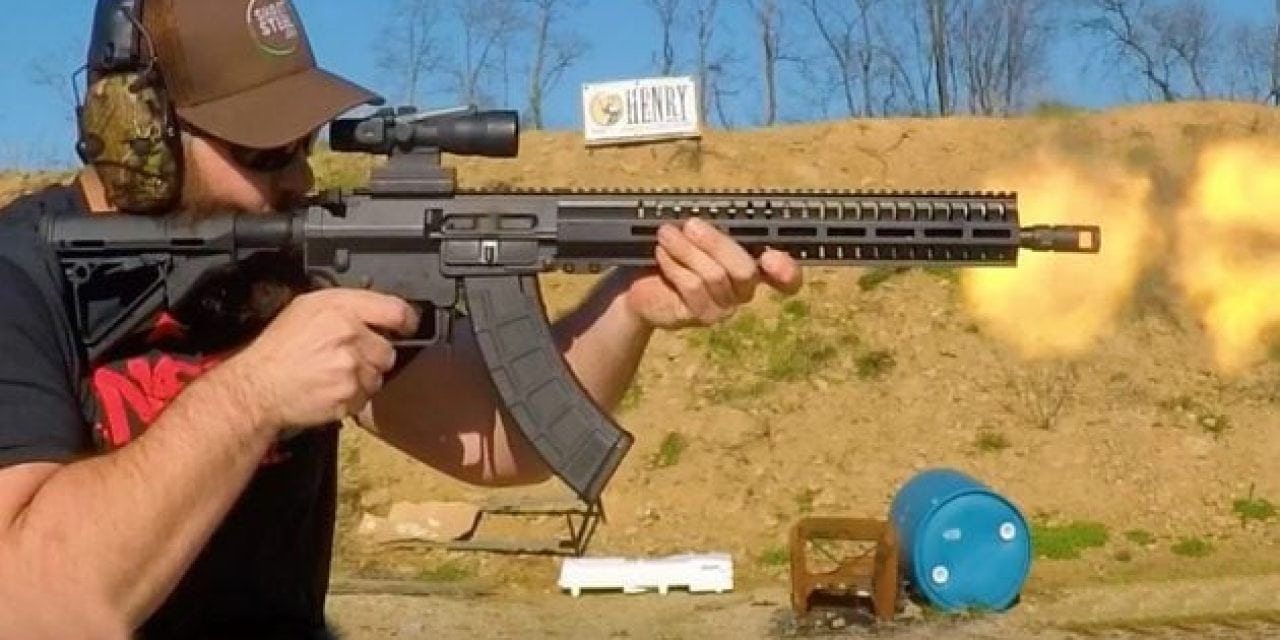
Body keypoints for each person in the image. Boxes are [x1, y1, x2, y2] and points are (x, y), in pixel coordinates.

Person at [0, 0, 802, 638]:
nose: (299, 176)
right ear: (139, 134)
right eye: (263, 152)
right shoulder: (19, 280)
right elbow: (34, 607)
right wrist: (253, 396)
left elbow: (501, 439)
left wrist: (628, 303)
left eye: (303, 143)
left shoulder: (293, 260)